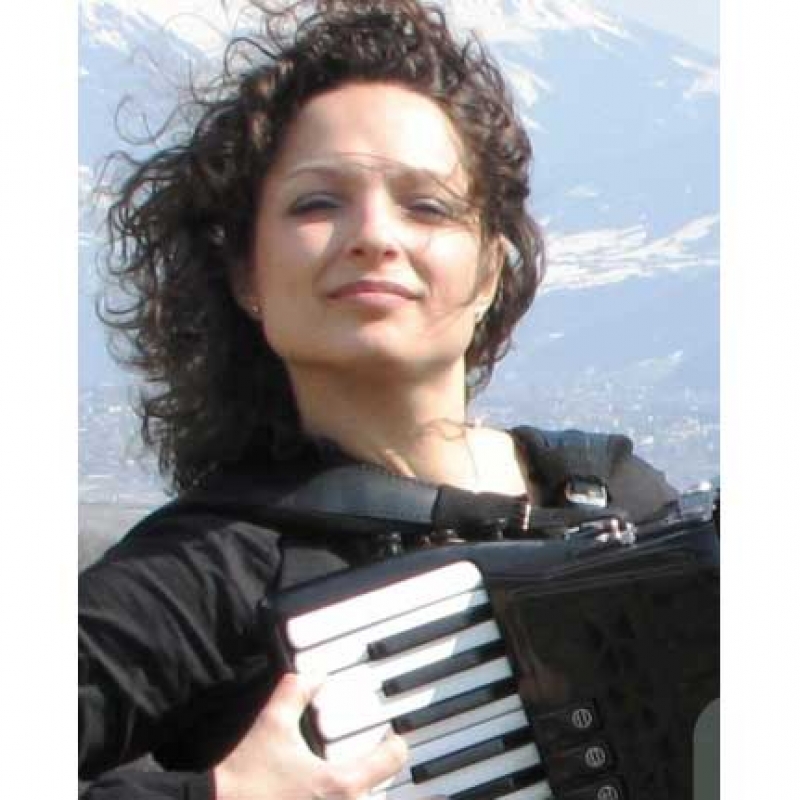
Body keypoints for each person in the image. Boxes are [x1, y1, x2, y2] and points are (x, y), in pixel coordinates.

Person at [79, 1, 678, 798]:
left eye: (427, 206)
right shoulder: (208, 571)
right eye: (316, 203)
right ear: (246, 275)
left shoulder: (625, 500)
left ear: (489, 273)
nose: (373, 236)